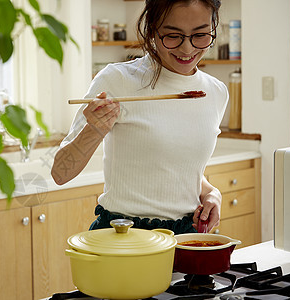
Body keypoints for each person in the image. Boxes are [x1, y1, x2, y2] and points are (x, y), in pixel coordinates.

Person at [51, 0, 227, 235]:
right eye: (173, 36)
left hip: (186, 236)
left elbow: (173, 167)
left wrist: (211, 192)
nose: (187, 49)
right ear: (152, 28)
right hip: (125, 235)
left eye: (200, 35)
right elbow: (60, 174)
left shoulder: (216, 92)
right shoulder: (117, 80)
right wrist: (94, 130)